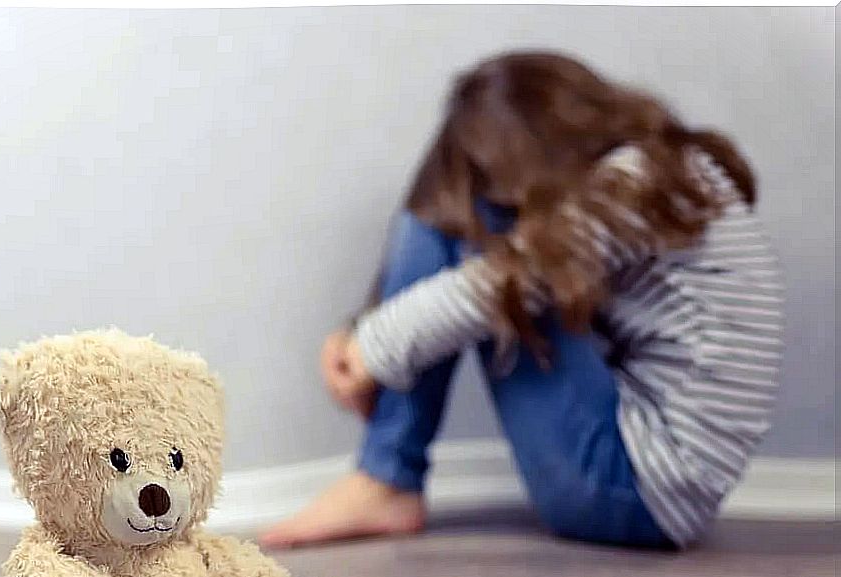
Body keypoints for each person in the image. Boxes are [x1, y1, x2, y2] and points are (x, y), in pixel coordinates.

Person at [260, 51, 783, 551]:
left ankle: (384, 477)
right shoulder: (664, 167)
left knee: (466, 222)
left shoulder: (629, 185)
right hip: (662, 495)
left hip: (627, 491)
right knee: (476, 229)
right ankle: (385, 475)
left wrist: (366, 350)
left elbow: (493, 289)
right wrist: (367, 334)